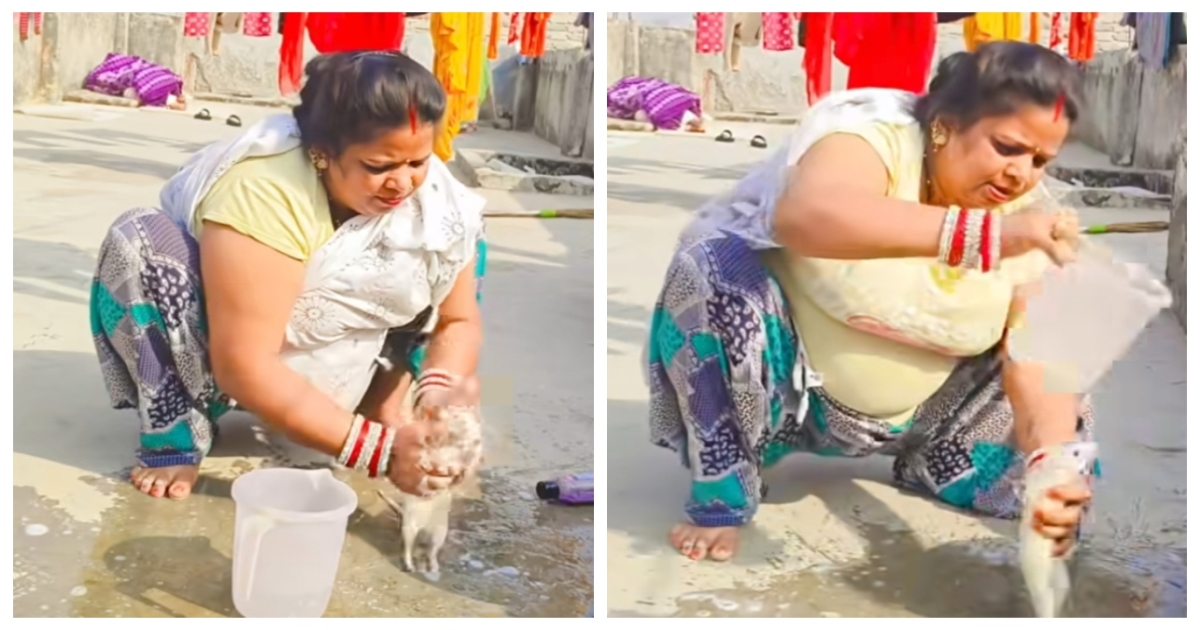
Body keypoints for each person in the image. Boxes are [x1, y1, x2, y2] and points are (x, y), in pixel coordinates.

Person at [645, 42, 1096, 561]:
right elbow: (806, 215)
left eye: (1039, 160)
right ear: (946, 124)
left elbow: (1039, 360)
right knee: (710, 268)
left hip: (932, 417)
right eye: (1007, 147)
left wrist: (1051, 464)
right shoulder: (868, 134)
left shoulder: (1029, 213)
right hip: (787, 397)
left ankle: (941, 465)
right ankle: (725, 489)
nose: (1021, 174)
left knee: (1064, 353)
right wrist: (984, 235)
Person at [89, 51, 486, 501]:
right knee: (141, 242)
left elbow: (457, 321)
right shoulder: (263, 191)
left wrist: (438, 400)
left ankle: (384, 402)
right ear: (322, 153)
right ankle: (178, 431)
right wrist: (382, 453)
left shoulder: (433, 195)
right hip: (226, 362)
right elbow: (244, 364)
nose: (402, 184)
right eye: (378, 167)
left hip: (353, 356)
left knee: (459, 235)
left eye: (417, 163)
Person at [607, 76, 707, 133]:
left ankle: (687, 122)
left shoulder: (617, 92)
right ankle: (688, 121)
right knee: (643, 113)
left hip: (654, 94)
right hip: (662, 96)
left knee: (645, 113)